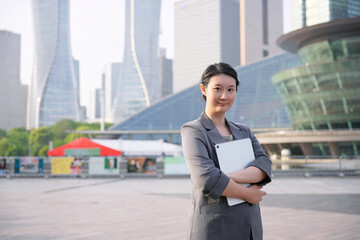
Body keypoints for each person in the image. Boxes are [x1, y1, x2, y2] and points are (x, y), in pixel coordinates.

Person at [181, 62, 272, 240]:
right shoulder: (193, 131)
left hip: (249, 227)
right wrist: (248, 194)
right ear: (204, 89)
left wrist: (226, 176)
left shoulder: (243, 131)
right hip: (215, 228)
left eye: (231, 89)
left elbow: (264, 164)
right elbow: (206, 178)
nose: (224, 96)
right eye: (218, 88)